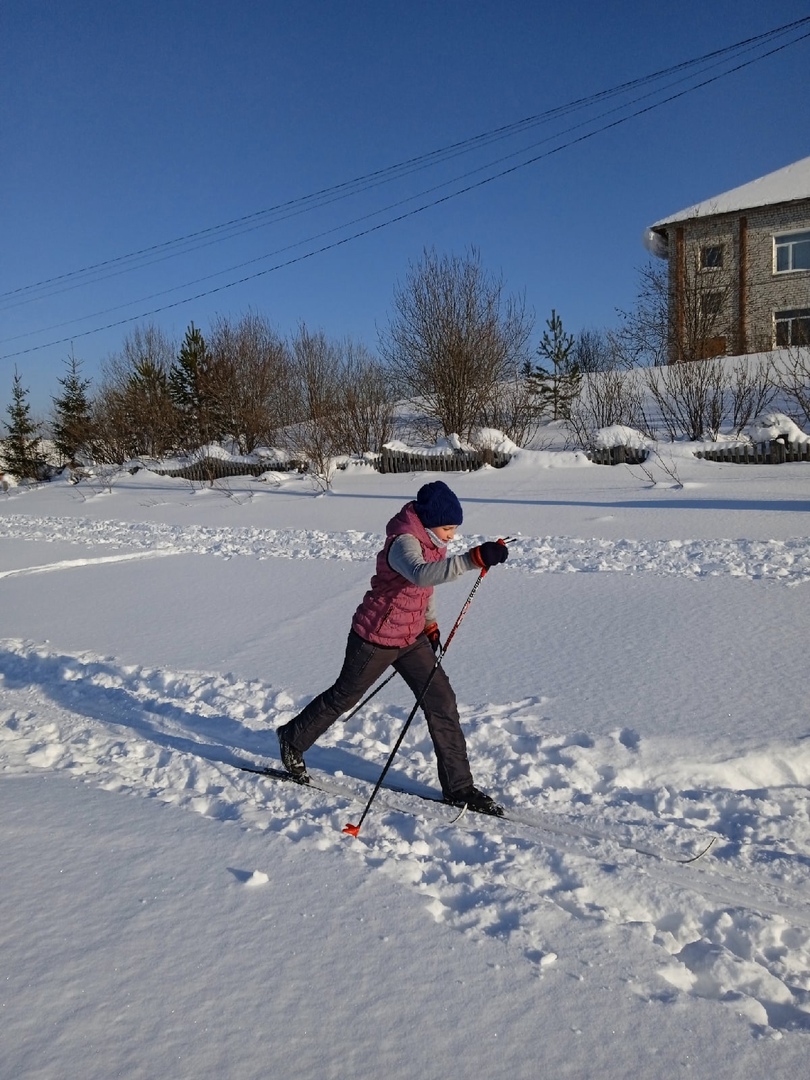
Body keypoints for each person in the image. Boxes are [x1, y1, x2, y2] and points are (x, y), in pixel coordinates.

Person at [276, 480, 509, 816]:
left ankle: (459, 788)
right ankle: (292, 739)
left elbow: (424, 591)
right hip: (375, 637)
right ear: (430, 523)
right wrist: (472, 559)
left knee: (442, 701)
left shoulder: (433, 541)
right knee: (345, 694)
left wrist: (429, 623)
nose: (451, 536)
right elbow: (420, 575)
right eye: (447, 528)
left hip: (411, 638)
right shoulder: (403, 543)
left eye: (455, 529)